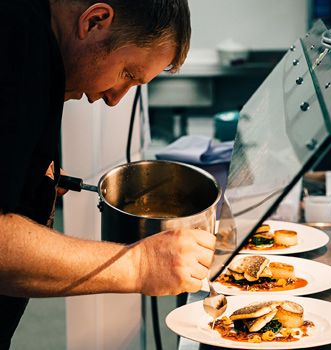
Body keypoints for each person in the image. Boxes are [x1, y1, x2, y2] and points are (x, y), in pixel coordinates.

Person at [0, 0, 215, 347]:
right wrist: (141, 265)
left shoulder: (40, 46)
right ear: (95, 21)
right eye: (128, 74)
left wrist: (28, 176)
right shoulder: (15, 49)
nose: (116, 98)